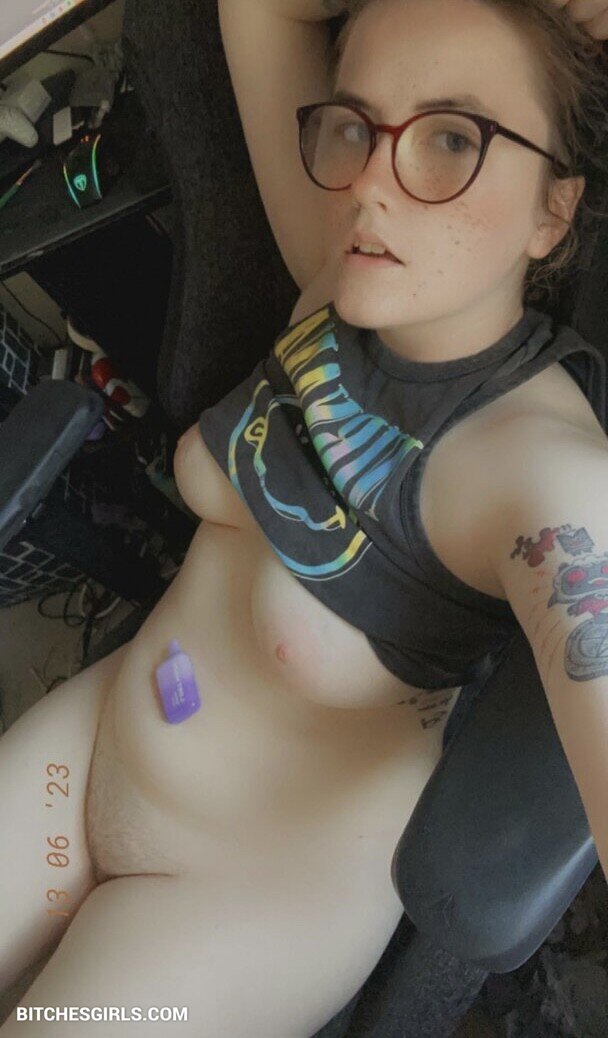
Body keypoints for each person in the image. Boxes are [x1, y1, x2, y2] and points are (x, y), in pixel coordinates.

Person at [2, 0, 608, 1034]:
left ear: (552, 210)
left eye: (451, 139)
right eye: (354, 124)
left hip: (238, 895)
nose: (371, 181)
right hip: (96, 746)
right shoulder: (341, 276)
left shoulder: (535, 471)